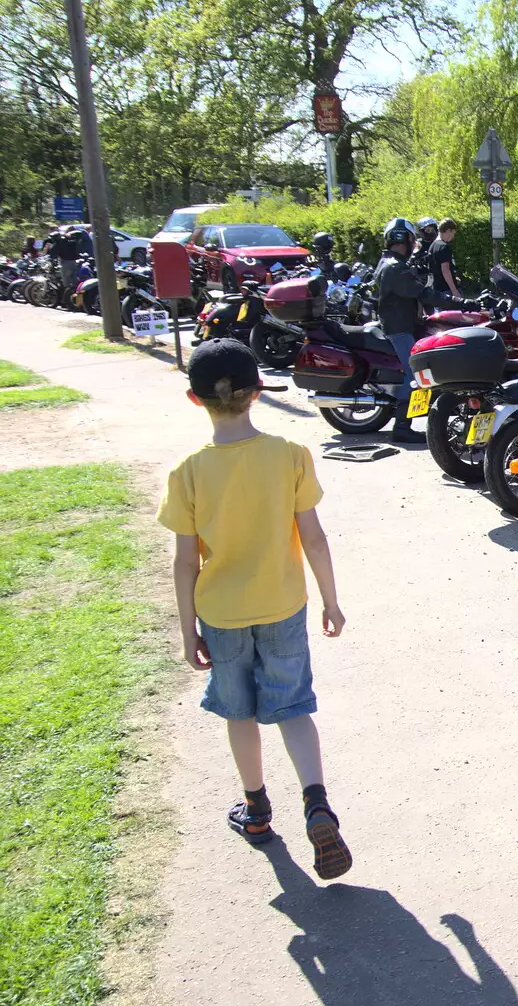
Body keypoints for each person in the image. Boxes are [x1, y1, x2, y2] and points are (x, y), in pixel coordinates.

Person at [157, 338, 353, 880]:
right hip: (283, 604)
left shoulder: (189, 472)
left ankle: (258, 810)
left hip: (220, 614)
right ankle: (316, 802)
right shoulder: (290, 455)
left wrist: (186, 630)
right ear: (258, 393)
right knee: (292, 706)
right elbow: (313, 538)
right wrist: (331, 601)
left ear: (195, 400)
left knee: (239, 711)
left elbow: (183, 562)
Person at [372, 218, 476, 444]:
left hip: (401, 323)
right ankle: (401, 426)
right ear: (405, 240)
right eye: (411, 240)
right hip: (398, 328)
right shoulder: (395, 267)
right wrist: (463, 302)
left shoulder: (389, 262)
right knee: (416, 373)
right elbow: (425, 294)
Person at [428, 219, 462, 299]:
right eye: (453, 233)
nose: (453, 236)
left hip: (436, 289)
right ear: (448, 230)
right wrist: (454, 291)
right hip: (446, 290)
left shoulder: (432, 246)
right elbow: (445, 270)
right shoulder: (444, 246)